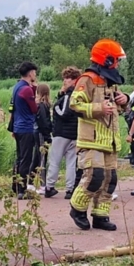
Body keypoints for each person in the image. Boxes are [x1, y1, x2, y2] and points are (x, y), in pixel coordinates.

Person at [69, 39, 130, 231]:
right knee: (94, 176)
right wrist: (98, 108)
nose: (118, 65)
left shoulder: (110, 82)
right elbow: (75, 104)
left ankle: (100, 215)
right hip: (91, 140)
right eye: (116, 60)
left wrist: (124, 100)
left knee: (109, 180)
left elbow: (118, 106)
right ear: (107, 59)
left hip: (110, 141)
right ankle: (77, 209)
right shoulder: (87, 79)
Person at [46, 66, 82, 199]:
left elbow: (65, 113)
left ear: (74, 80)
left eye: (68, 78)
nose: (65, 81)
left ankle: (49, 186)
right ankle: (70, 189)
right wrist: (61, 95)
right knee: (71, 162)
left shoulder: (69, 95)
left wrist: (55, 106)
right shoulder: (79, 94)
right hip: (74, 133)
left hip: (61, 133)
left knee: (55, 160)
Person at [10, 61, 40, 199]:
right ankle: (22, 190)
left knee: (20, 157)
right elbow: (34, 108)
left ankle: (15, 186)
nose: (35, 74)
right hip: (26, 127)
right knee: (26, 160)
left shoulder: (17, 86)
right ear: (30, 73)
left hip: (17, 126)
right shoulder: (26, 89)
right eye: (34, 72)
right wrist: (37, 98)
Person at [31, 83, 53, 194]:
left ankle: (30, 183)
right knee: (42, 158)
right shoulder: (43, 105)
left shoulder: (39, 104)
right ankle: (43, 185)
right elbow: (44, 122)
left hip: (37, 131)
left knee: (37, 157)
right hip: (41, 133)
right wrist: (48, 136)